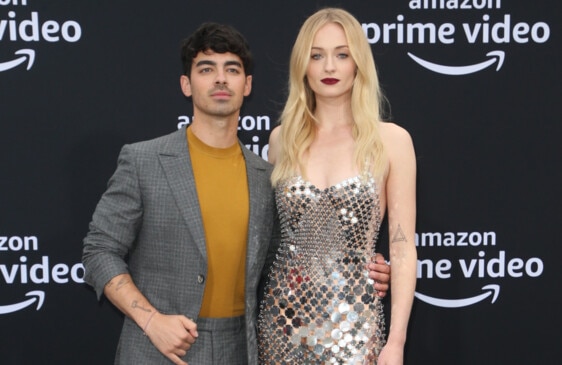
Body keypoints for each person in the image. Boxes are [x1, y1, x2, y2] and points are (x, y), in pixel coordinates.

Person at [82, 22, 391, 365]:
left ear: (247, 85)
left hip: (241, 349)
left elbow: (289, 256)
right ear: (186, 84)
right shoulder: (144, 161)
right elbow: (99, 251)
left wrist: (357, 263)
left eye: (231, 69)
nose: (220, 79)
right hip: (157, 347)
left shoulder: (265, 176)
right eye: (206, 69)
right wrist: (151, 320)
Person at [257, 8, 417, 365]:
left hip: (355, 327)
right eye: (317, 55)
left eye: (342, 55)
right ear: (303, 66)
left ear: (358, 63)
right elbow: (271, 239)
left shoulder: (391, 141)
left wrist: (396, 342)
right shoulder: (282, 141)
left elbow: (403, 247)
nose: (329, 67)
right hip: (282, 323)